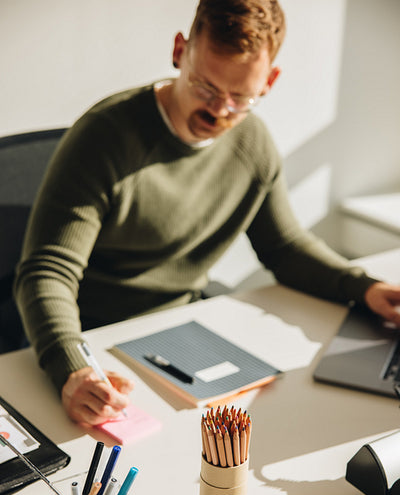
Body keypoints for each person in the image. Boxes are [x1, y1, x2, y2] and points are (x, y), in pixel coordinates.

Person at [14, 0, 400, 427]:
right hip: (94, 335)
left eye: (241, 98)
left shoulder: (251, 143)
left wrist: (363, 287)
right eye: (205, 87)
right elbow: (47, 272)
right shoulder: (104, 137)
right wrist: (72, 365)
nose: (218, 111)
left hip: (181, 327)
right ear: (180, 51)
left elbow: (284, 246)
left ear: (269, 81)